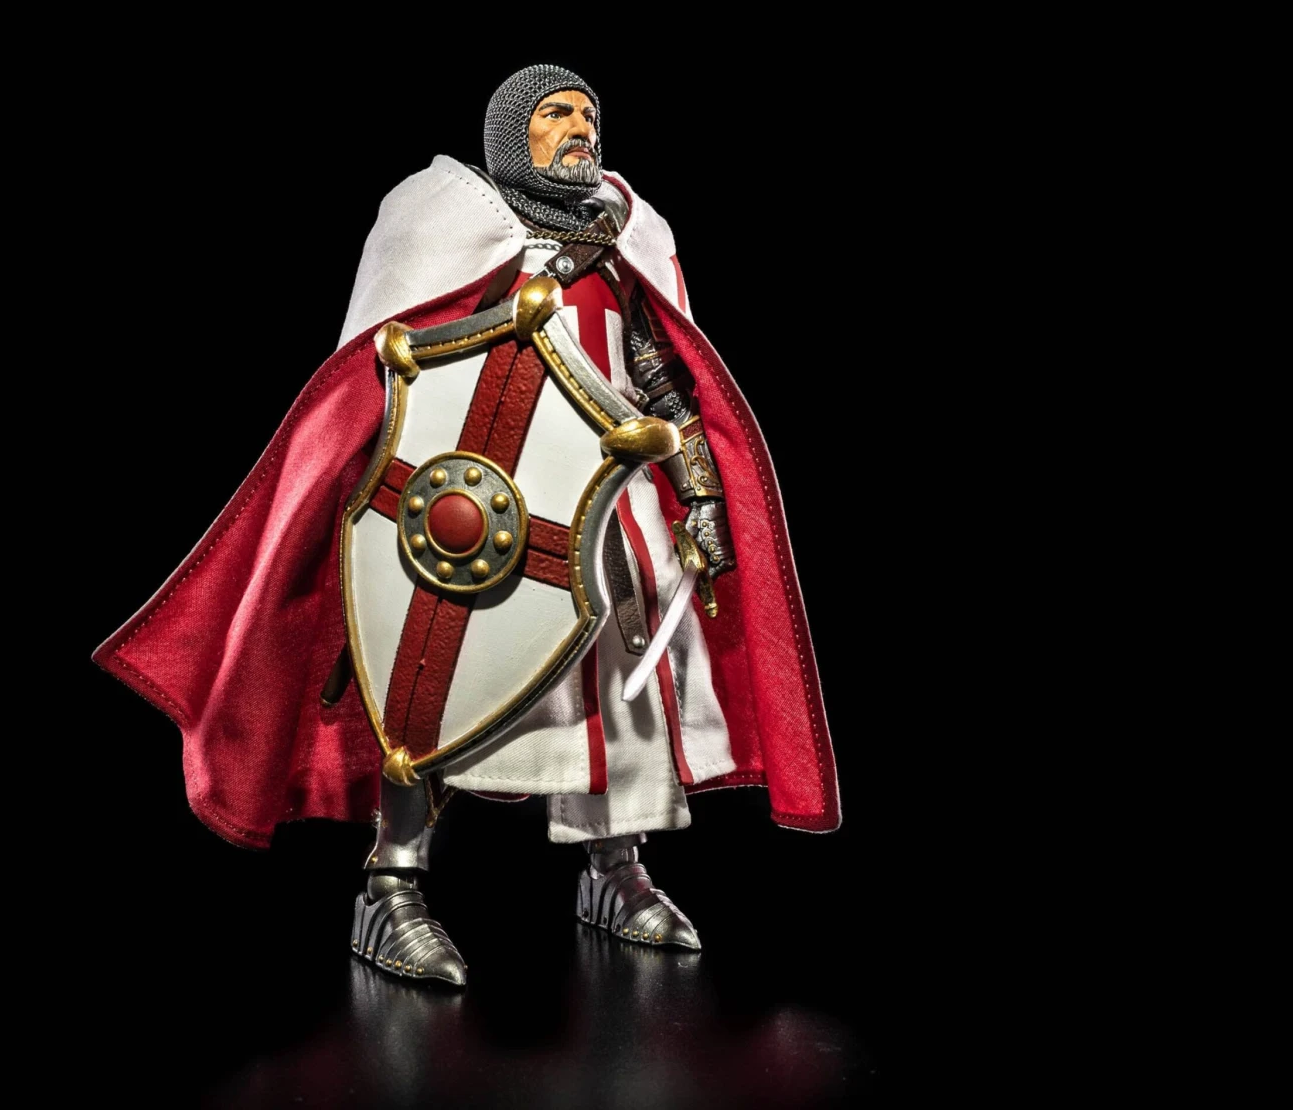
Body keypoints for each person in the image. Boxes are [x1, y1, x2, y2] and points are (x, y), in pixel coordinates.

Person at [93, 65, 839, 988]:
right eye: (556, 113)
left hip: (612, 504)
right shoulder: (448, 231)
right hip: (475, 506)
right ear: (511, 132)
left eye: (588, 113)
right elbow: (397, 370)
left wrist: (707, 498)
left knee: (625, 684)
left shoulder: (624, 241)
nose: (579, 127)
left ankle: (615, 870)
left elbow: (663, 382)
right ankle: (391, 885)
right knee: (428, 675)